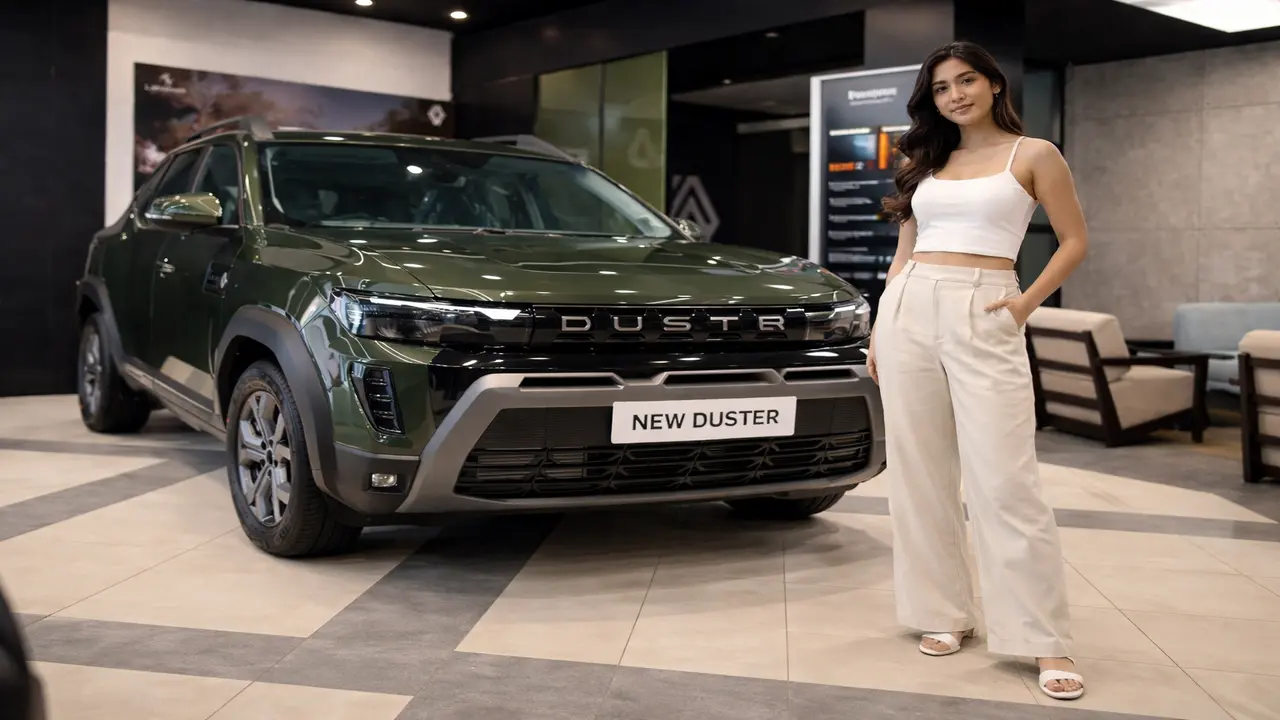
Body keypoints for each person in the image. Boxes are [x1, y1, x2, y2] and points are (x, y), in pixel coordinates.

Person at [867, 41, 1089, 701]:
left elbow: (1075, 239)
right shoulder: (925, 161)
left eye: (966, 81)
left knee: (1006, 480)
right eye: (941, 88)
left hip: (986, 305)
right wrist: (881, 327)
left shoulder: (1035, 155)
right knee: (920, 474)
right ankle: (942, 612)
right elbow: (905, 247)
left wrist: (1022, 304)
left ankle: (1043, 636)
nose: (955, 95)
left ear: (994, 84)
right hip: (910, 310)